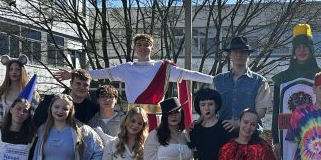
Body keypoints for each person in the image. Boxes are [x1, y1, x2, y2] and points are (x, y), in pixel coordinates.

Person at [58, 33, 213, 131]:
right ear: (134, 49)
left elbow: (189, 74)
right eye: (139, 45)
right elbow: (100, 73)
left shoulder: (163, 68)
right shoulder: (126, 68)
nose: (143, 48)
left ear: (152, 48)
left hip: (155, 119)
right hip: (132, 118)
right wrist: (73, 73)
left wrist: (213, 79)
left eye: (146, 45)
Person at [268, 23, 319, 160]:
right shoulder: (281, 78)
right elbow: (276, 112)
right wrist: (275, 140)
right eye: (298, 46)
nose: (301, 50)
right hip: (287, 140)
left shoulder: (320, 76)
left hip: (314, 140)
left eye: (305, 46)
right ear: (293, 50)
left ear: (311, 49)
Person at [210, 36, 272, 131]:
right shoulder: (218, 80)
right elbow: (210, 107)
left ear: (248, 55)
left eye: (243, 52)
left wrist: (239, 123)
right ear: (230, 55)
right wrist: (200, 120)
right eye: (235, 52)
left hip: (250, 134)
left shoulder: (260, 81)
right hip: (223, 133)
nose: (239, 55)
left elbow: (261, 112)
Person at [33, 68, 98, 127]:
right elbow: (36, 124)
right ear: (71, 83)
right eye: (78, 83)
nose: (82, 87)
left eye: (86, 85)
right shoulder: (51, 102)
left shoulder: (92, 109)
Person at [0, 54, 39, 129]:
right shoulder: (1, 93)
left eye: (17, 69)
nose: (14, 72)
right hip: (2, 133)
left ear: (22, 71)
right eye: (11, 69)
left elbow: (35, 116)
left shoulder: (32, 94)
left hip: (23, 132)